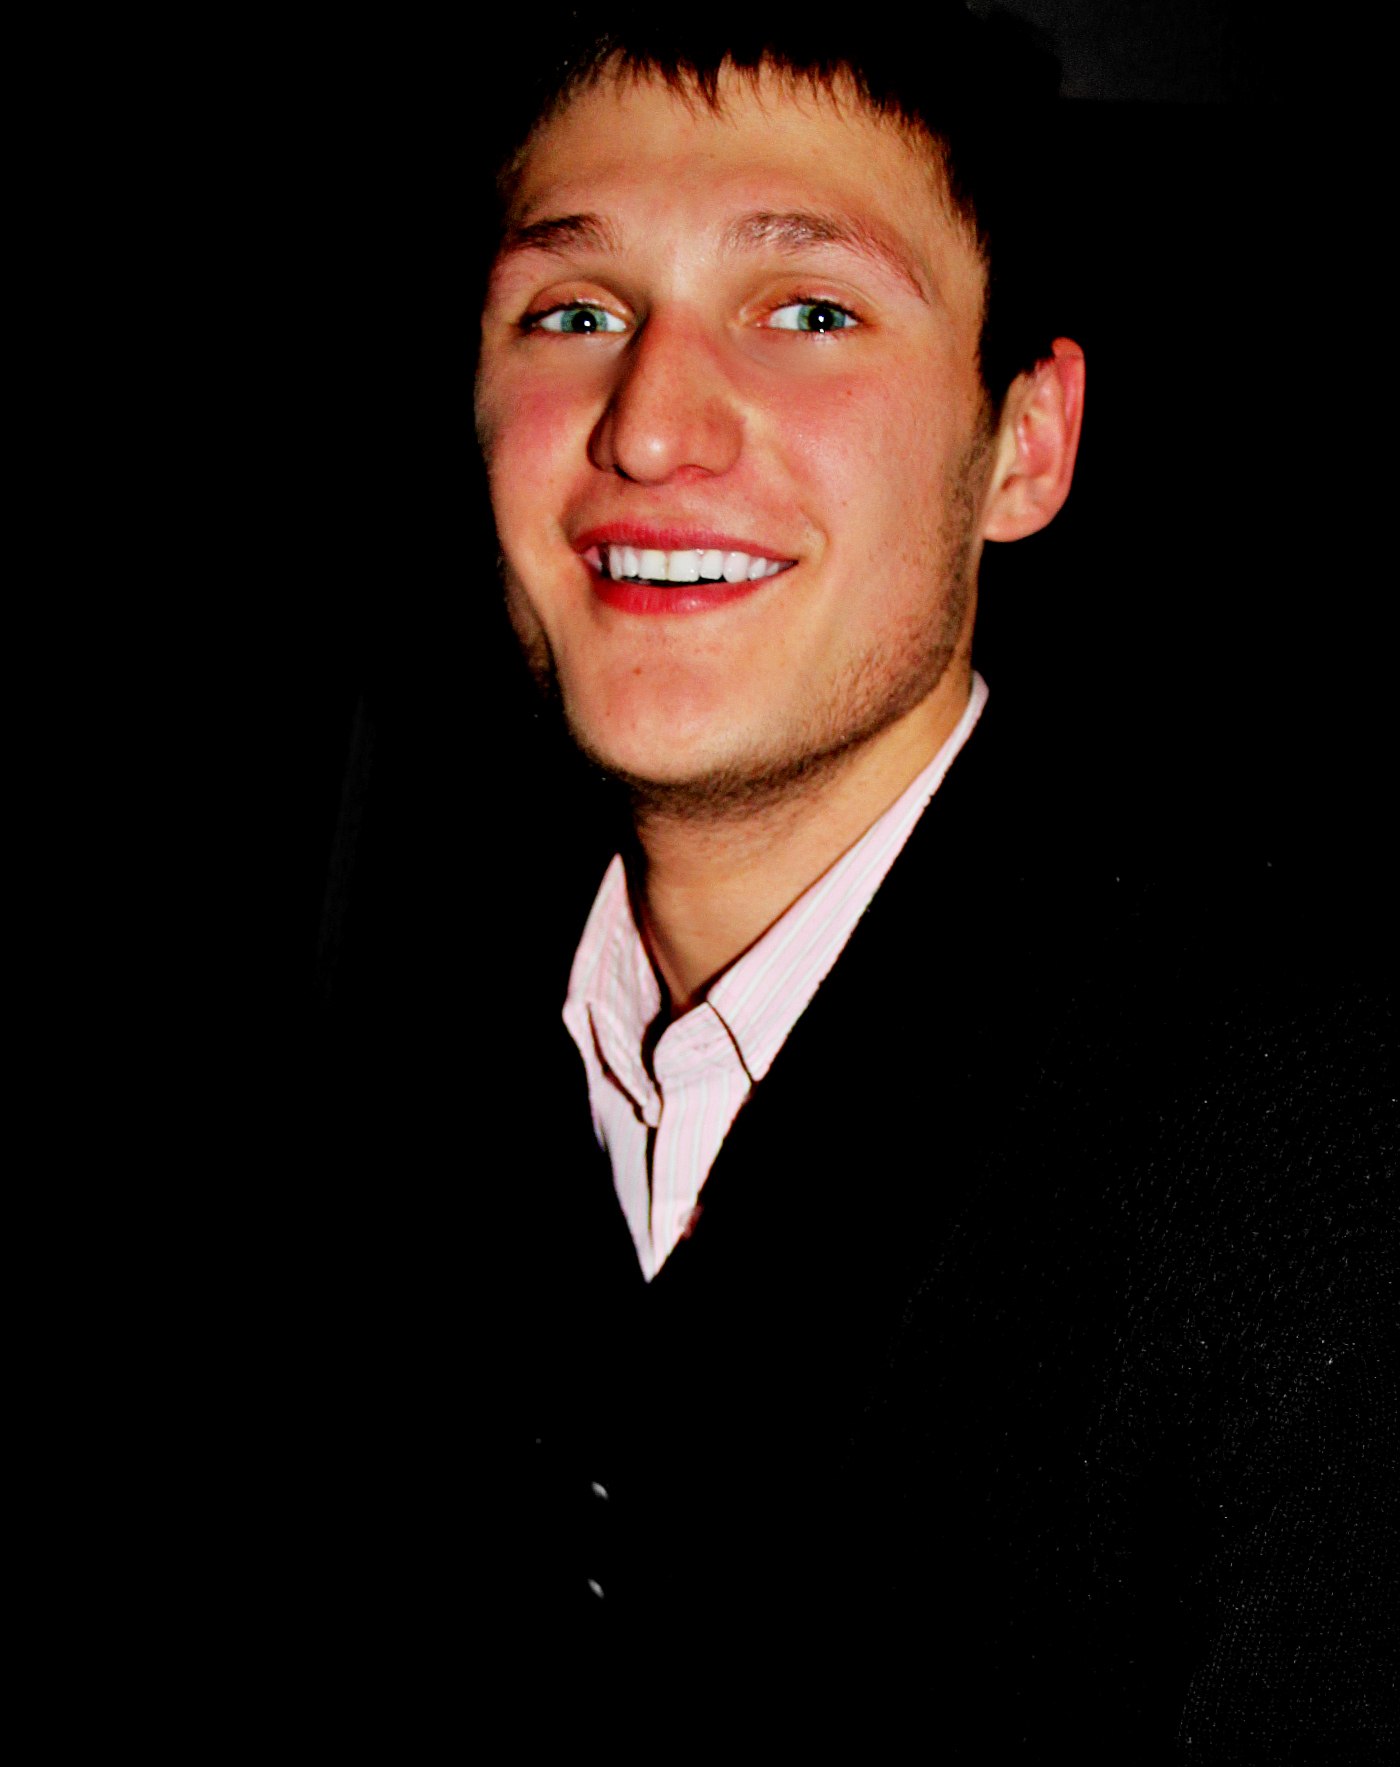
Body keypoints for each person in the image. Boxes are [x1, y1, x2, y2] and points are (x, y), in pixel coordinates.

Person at [320, 7, 1393, 1754]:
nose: (650, 426)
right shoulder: (392, 1067)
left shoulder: (1308, 1160)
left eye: (811, 312)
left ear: (1024, 444)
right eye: (575, 312)